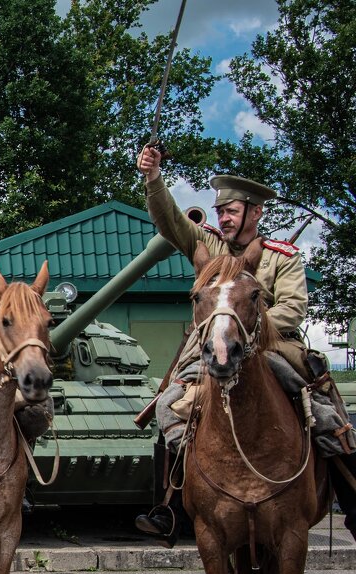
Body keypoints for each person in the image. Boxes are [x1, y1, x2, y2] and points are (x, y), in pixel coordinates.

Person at [133, 144, 356, 544]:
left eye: (231, 212)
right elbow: (169, 221)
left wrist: (251, 326)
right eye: (220, 212)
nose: (224, 218)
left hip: (273, 347)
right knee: (168, 405)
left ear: (255, 213)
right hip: (211, 347)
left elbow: (293, 307)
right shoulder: (210, 246)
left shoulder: (281, 257)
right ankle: (172, 509)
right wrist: (153, 178)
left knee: (326, 413)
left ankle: (352, 500)